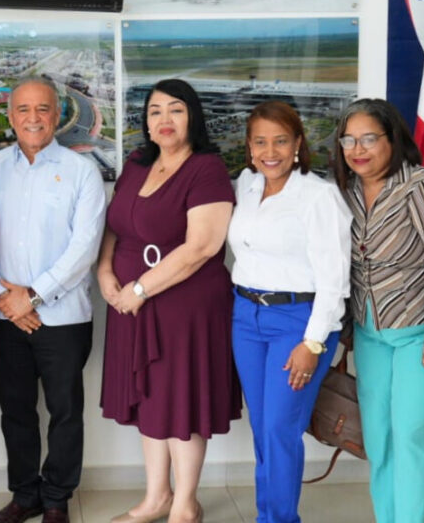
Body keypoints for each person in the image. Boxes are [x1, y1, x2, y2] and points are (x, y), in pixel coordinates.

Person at [98, 79, 239, 523]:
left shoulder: (207, 169)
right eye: (155, 110)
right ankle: (156, 497)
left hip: (185, 307)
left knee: (182, 403)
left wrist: (139, 290)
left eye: (175, 110)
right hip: (129, 303)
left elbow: (202, 246)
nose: (164, 119)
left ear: (192, 116)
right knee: (150, 402)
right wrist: (104, 271)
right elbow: (115, 225)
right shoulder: (138, 164)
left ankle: (185, 504)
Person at [331, 99, 424, 523]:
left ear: (393, 140)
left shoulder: (423, 187)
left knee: (412, 435)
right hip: (372, 332)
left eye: (369, 138)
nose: (358, 149)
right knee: (380, 438)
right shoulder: (346, 192)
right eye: (349, 139)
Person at [0, 78, 106, 523]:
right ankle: (25, 495)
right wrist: (3, 294)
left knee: (65, 412)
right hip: (4, 315)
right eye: (24, 110)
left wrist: (32, 295)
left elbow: (85, 247)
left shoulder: (81, 172)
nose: (33, 118)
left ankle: (56, 499)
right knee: (16, 410)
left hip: (64, 316)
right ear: (10, 116)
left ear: (57, 115)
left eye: (43, 110)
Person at [226, 101, 351, 523]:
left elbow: (335, 281)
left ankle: (278, 519)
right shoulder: (246, 184)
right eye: (260, 141)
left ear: (298, 143)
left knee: (280, 429)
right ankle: (270, 515)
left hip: (298, 323)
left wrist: (312, 343)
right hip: (246, 318)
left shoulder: (319, 196)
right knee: (263, 429)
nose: (270, 151)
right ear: (248, 146)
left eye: (280, 140)